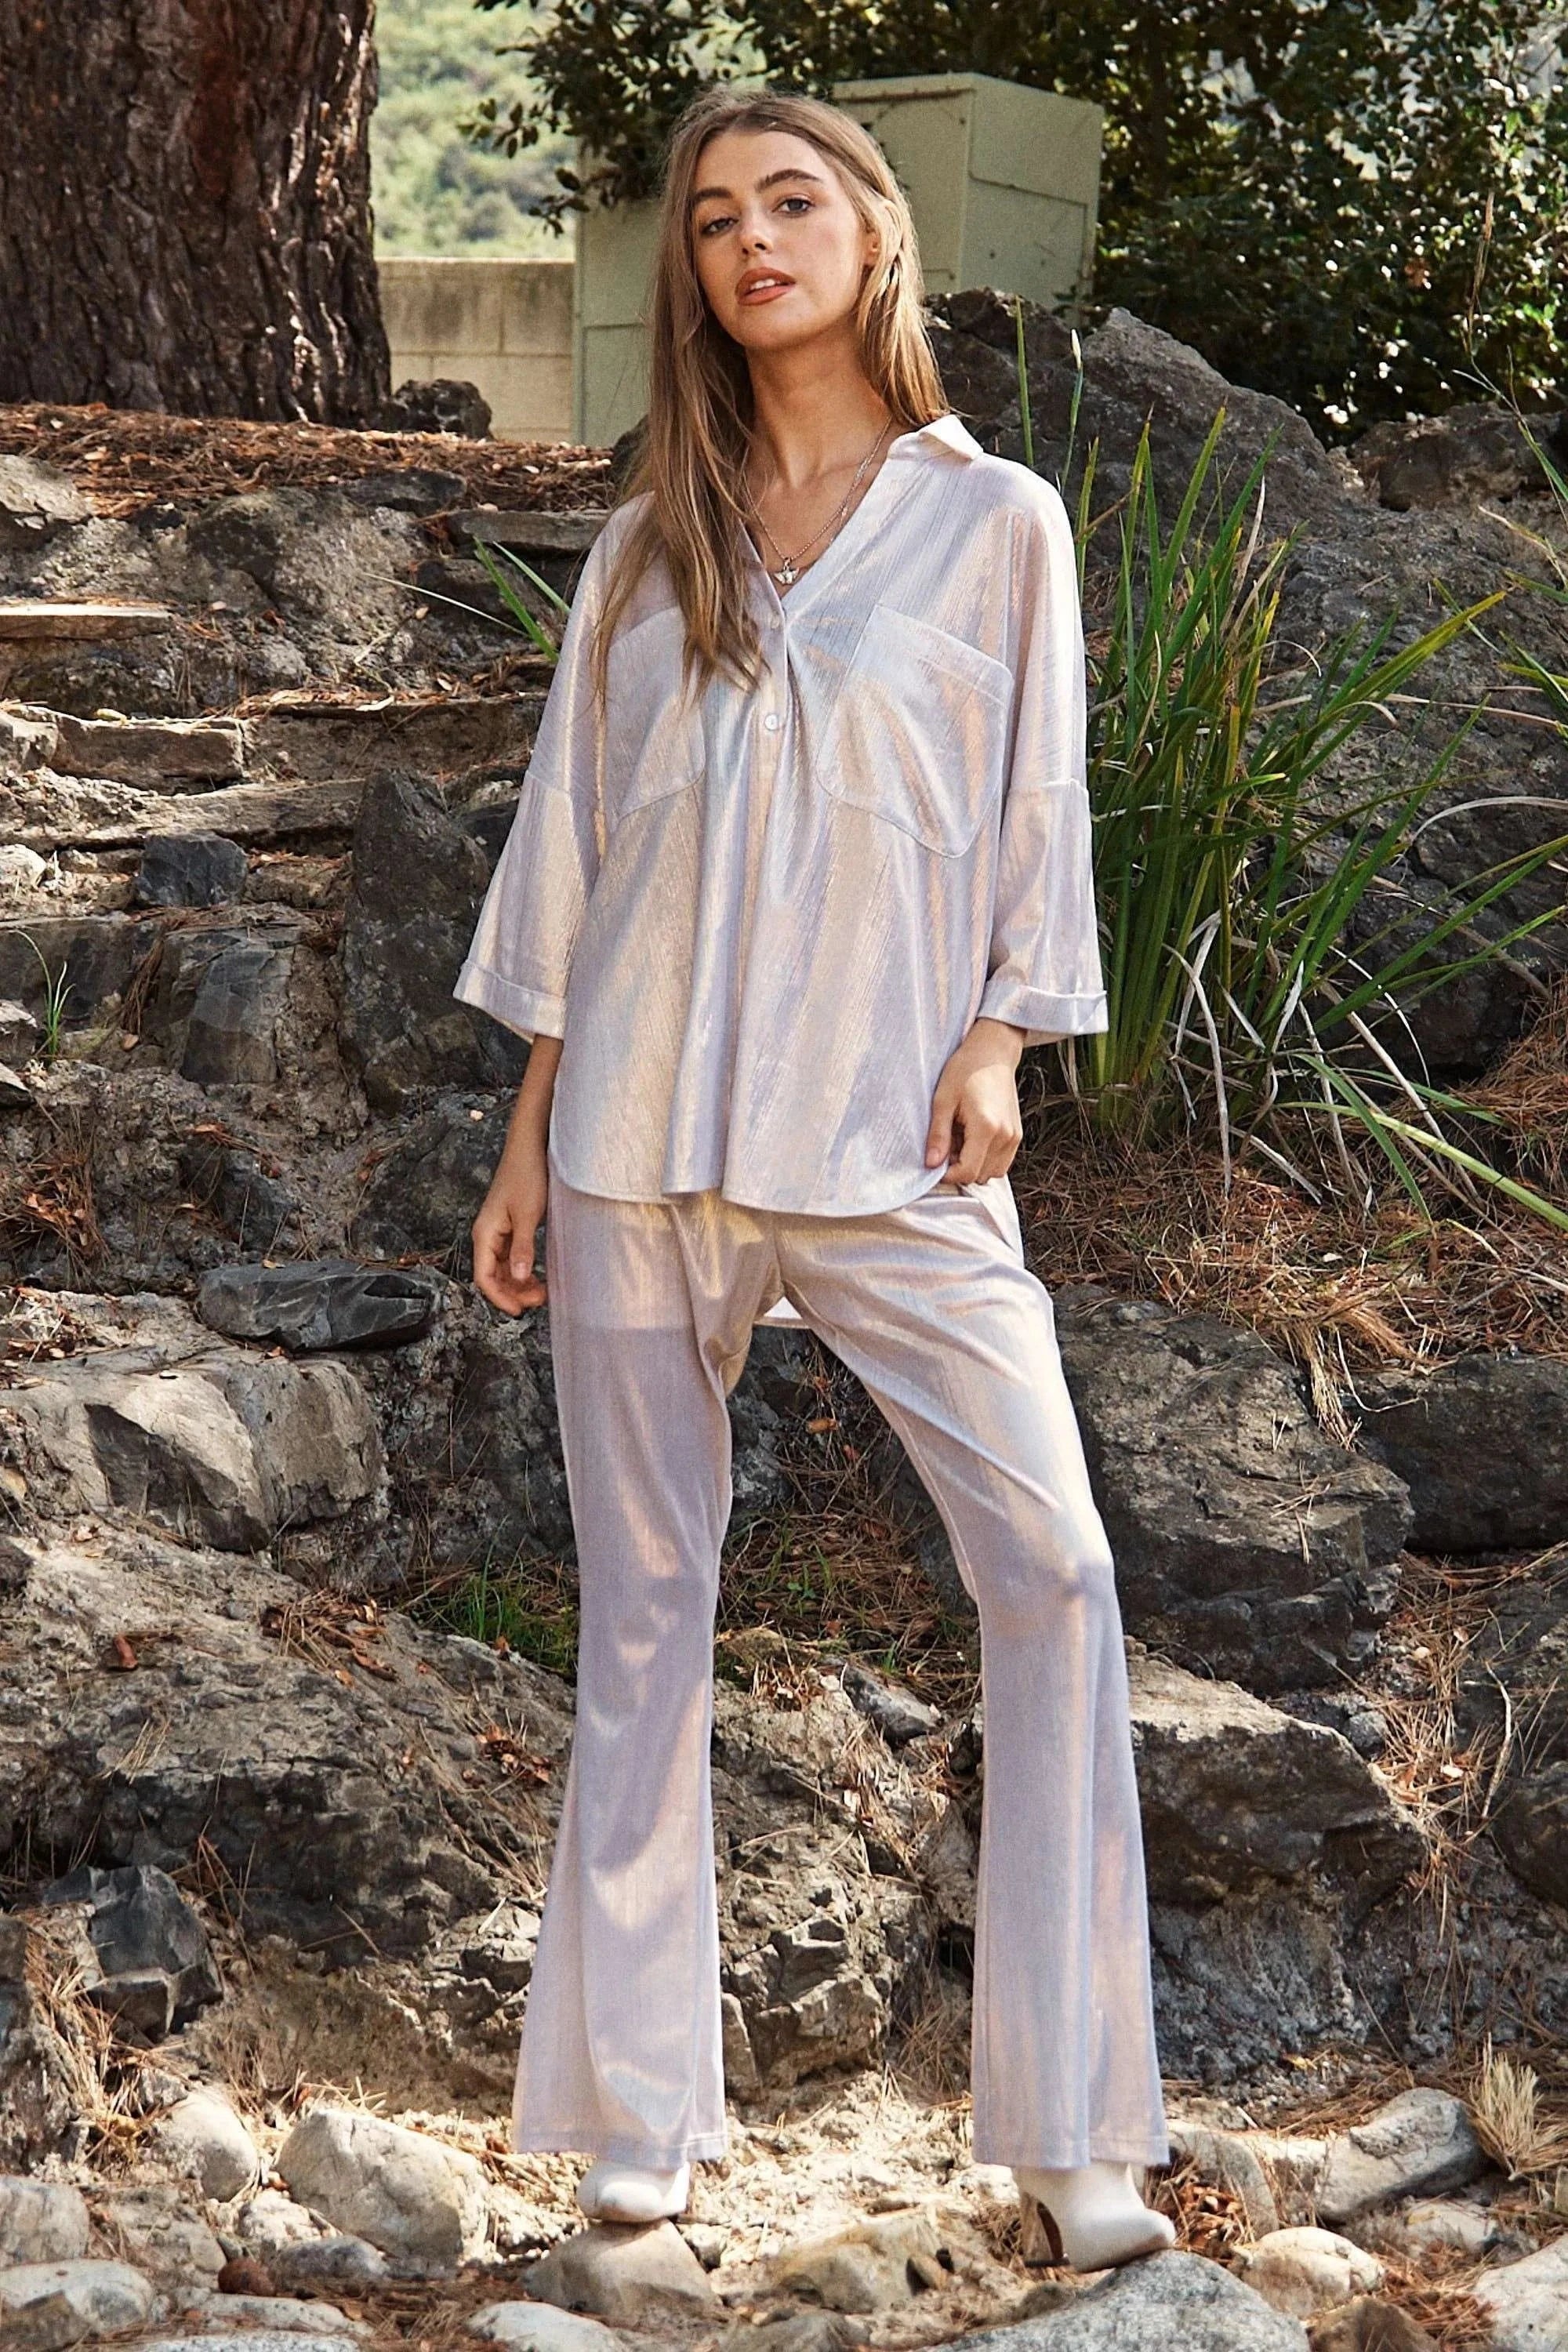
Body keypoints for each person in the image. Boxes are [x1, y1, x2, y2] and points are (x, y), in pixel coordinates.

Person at [454, 85, 1176, 2275]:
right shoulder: (644, 544)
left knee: (1054, 1568)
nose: (749, 241)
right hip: (633, 1142)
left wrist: (1006, 1038)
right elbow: (579, 851)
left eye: (791, 201)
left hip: (889, 1136)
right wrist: (526, 1140)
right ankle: (638, 2127)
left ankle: (1074, 2129)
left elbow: (1038, 807)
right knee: (643, 1613)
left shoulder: (996, 525)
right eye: (711, 218)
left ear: (874, 235)